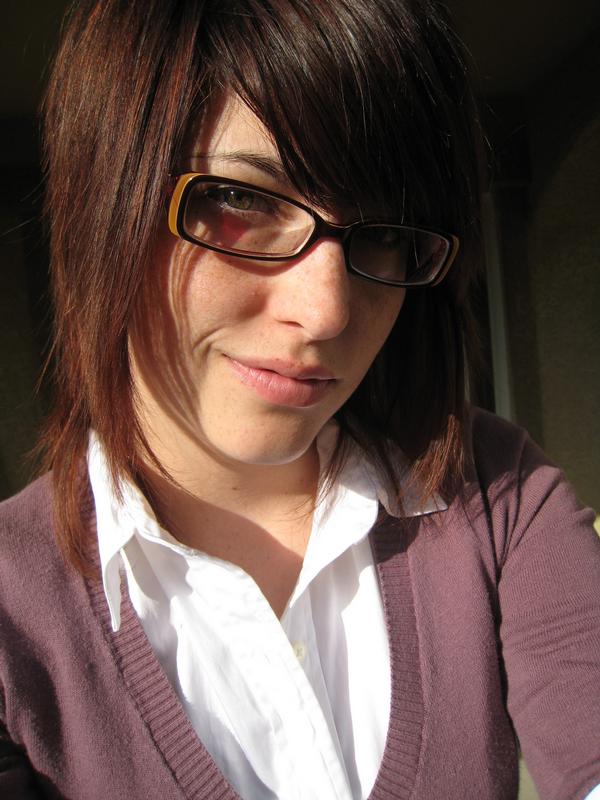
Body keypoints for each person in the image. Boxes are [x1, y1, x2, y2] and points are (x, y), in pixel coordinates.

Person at [1, 0, 599, 798]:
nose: (326, 313)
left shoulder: (496, 497)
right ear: (104, 194)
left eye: (385, 234)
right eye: (243, 200)